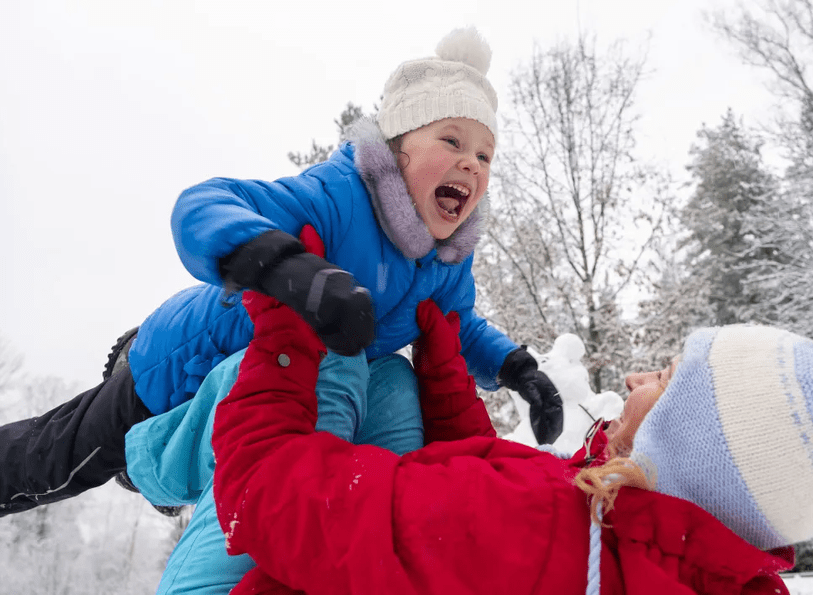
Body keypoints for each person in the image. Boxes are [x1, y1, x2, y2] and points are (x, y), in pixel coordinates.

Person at [0, 26, 563, 517]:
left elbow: (459, 326)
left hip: (263, 400)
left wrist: (517, 370)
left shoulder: (444, 265)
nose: (472, 162)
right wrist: (288, 267)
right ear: (398, 151)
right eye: (451, 140)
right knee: (58, 463)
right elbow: (202, 205)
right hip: (179, 367)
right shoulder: (337, 198)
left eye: (486, 155)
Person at [208, 290, 813, 595]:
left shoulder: (533, 522)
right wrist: (447, 373)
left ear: (691, 438)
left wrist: (283, 332)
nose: (638, 373)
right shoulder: (634, 552)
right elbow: (474, 548)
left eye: (666, 376)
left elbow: (263, 491)